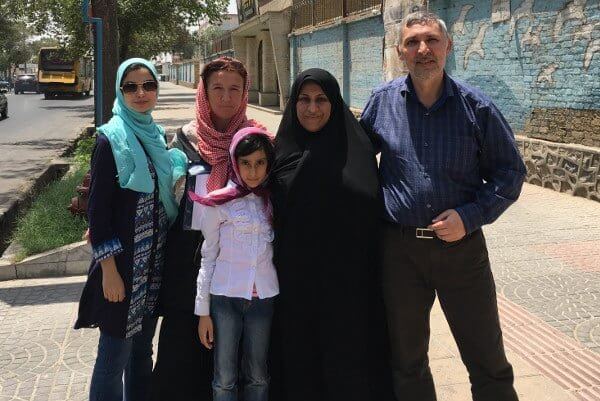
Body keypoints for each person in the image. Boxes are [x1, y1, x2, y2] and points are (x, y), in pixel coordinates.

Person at [360, 10, 527, 401]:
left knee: (487, 359)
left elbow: (510, 172)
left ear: (448, 47)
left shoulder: (477, 108)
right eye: (413, 42)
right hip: (400, 253)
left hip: (462, 252)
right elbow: (356, 163)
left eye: (432, 41)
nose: (423, 50)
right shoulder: (382, 104)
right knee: (406, 361)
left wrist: (470, 217)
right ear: (400, 52)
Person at [270, 68, 396, 401]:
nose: (312, 108)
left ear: (335, 103)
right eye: (304, 100)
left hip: (349, 288)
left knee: (348, 366)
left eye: (321, 100)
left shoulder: (358, 152)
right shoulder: (278, 152)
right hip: (295, 287)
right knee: (300, 364)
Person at [152, 56, 265, 401]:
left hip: (238, 262)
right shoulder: (183, 141)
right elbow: (162, 197)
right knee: (182, 354)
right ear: (204, 91)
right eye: (218, 88)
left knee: (235, 357)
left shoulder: (256, 140)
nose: (226, 97)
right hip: (188, 261)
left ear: (245, 93)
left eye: (235, 89)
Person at [74, 58, 187, 401]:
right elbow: (98, 213)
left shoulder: (156, 137)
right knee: (112, 360)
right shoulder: (111, 140)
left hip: (152, 271)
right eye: (132, 87)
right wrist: (109, 271)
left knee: (141, 356)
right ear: (121, 92)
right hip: (122, 272)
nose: (141, 93)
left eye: (148, 85)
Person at [190, 127, 278, 401]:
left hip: (263, 299)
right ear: (235, 163)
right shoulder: (219, 203)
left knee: (258, 375)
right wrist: (203, 311)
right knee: (224, 378)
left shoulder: (273, 202)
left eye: (260, 163)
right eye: (246, 164)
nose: (253, 172)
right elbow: (209, 256)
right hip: (225, 298)